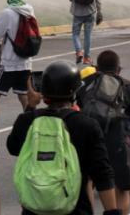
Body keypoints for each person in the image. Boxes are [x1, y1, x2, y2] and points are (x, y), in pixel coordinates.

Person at [7, 61, 122, 215]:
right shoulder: (86, 125)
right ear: (75, 92)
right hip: (75, 209)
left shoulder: (27, 121)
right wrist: (112, 212)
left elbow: (13, 147)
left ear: (44, 91)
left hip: (33, 210)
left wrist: (31, 105)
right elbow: (102, 174)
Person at [77, 51, 130, 212]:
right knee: (123, 189)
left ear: (97, 68)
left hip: (89, 141)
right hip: (118, 144)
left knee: (87, 182)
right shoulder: (127, 87)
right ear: (118, 69)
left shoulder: (85, 84)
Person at [0, 0, 40, 127]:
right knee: (24, 95)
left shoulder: (7, 13)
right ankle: (32, 126)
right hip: (25, 62)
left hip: (9, 63)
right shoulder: (30, 10)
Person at [69, 0, 103, 65]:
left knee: (75, 34)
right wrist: (99, 11)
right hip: (90, 12)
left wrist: (75, 1)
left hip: (77, 12)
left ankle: (79, 52)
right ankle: (86, 58)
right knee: (87, 36)